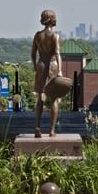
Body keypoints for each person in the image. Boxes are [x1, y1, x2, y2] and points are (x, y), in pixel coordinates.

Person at [31, 9, 62, 137]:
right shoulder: (55, 36)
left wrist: (34, 66)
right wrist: (60, 70)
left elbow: (33, 53)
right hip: (53, 66)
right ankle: (52, 130)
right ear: (51, 20)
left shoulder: (38, 35)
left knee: (40, 98)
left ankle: (37, 127)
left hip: (41, 66)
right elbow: (57, 53)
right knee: (53, 98)